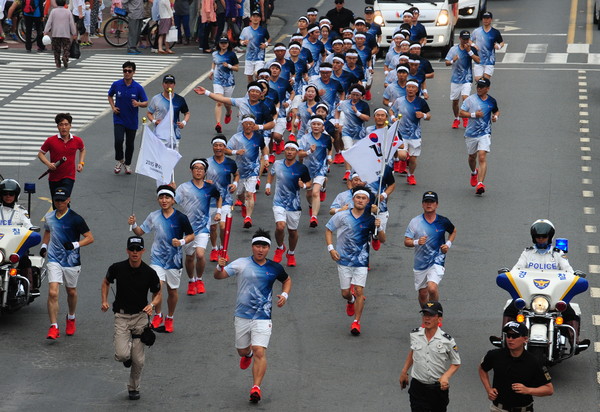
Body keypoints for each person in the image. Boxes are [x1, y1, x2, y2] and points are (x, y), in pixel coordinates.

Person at [213, 229, 292, 404]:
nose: (260, 249)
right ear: (252, 246)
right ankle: (246, 355)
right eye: (257, 245)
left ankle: (256, 387)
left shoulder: (275, 267)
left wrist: (284, 295)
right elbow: (218, 276)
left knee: (259, 350)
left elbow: (286, 280)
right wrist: (219, 266)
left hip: (263, 317)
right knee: (243, 350)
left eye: (264, 246)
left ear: (269, 248)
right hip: (242, 316)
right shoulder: (241, 264)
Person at [504, 219, 590, 349]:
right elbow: (516, 270)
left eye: (544, 236)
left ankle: (575, 341)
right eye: (538, 237)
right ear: (533, 237)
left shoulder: (558, 254)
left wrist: (575, 277)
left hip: (553, 297)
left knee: (571, 314)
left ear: (550, 237)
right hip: (530, 296)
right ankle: (504, 338)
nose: (541, 239)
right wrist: (509, 274)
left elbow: (568, 271)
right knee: (510, 309)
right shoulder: (527, 253)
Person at [101, 236, 161, 401]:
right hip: (121, 316)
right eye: (132, 249)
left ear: (143, 251)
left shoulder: (150, 273)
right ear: (127, 250)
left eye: (138, 249)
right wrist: (104, 301)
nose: (135, 252)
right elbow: (106, 282)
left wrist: (153, 304)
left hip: (141, 317)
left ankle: (134, 388)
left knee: (139, 361)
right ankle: (126, 356)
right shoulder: (117, 268)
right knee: (122, 355)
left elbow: (158, 293)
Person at [128, 185, 194, 333]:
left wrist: (181, 242)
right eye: (161, 197)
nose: (164, 200)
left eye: (167, 197)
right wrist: (134, 224)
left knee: (172, 291)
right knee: (157, 286)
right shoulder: (153, 216)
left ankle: (169, 317)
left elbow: (191, 235)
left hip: (174, 261)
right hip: (157, 259)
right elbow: (139, 232)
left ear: (173, 200)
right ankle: (158, 315)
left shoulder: (181, 218)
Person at [325, 186, 385, 336]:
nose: (360, 200)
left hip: (361, 261)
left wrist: (380, 227)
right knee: (345, 293)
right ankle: (350, 300)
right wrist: (331, 249)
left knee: (359, 291)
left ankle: (356, 322)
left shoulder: (371, 219)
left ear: (368, 202)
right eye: (358, 197)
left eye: (363, 198)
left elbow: (382, 239)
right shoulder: (342, 215)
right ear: (353, 200)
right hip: (343, 260)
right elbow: (328, 229)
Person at [41, 187, 94, 339]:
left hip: (71, 261)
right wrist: (44, 246)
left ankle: (71, 317)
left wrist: (75, 244)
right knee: (52, 291)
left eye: (62, 200)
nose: (59, 203)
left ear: (68, 200)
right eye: (56, 200)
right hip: (54, 259)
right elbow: (48, 231)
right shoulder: (50, 216)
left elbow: (90, 238)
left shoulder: (76, 218)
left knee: (71, 292)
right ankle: (53, 326)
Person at [399, 301, 461, 412]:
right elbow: (413, 351)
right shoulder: (415, 335)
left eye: (431, 315)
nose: (427, 318)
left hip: (437, 390)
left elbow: (456, 363)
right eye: (425, 315)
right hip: (418, 388)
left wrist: (446, 376)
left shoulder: (447, 341)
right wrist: (404, 371)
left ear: (439, 319)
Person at [479, 321, 553, 412]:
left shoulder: (533, 362)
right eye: (508, 336)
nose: (510, 339)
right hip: (498, 409)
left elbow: (549, 389)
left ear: (525, 339)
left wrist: (528, 390)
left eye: (514, 336)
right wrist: (488, 389)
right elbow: (482, 369)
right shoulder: (495, 355)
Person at [175, 159, 221, 296]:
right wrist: (171, 190)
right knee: (190, 257)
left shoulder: (210, 187)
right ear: (191, 170)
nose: (198, 170)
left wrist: (218, 212)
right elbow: (172, 202)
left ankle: (199, 279)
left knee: (200, 255)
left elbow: (219, 197)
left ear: (205, 172)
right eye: (196, 168)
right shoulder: (183, 188)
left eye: (201, 168)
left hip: (203, 227)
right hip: (187, 229)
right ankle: (191, 281)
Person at [404, 191, 457, 307]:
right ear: (422, 204)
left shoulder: (443, 221)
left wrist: (448, 244)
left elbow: (453, 231)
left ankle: (435, 314)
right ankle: (426, 316)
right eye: (426, 202)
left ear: (436, 204)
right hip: (420, 263)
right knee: (423, 294)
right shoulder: (415, 222)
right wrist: (417, 242)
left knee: (432, 288)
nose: (429, 204)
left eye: (432, 202)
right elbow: (406, 241)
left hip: (437, 259)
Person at [265, 141, 311, 267]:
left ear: (296, 153)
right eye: (287, 149)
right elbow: (271, 174)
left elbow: (309, 183)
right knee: (280, 226)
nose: (289, 151)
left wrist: (304, 185)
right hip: (279, 202)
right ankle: (280, 248)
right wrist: (268, 185)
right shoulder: (277, 164)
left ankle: (291, 253)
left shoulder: (301, 168)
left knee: (292, 232)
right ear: (284, 151)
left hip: (294, 204)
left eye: (292, 150)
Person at [225, 114, 269, 228]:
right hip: (239, 172)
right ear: (242, 124)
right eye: (246, 124)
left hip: (253, 170)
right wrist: (236, 152)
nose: (248, 126)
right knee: (240, 194)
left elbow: (264, 147)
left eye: (251, 124)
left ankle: (248, 217)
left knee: (249, 194)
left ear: (254, 125)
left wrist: (266, 159)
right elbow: (226, 150)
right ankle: (244, 204)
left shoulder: (258, 137)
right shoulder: (236, 137)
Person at [458, 77, 499, 195]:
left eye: (482, 87)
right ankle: (473, 173)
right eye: (478, 86)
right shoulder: (470, 100)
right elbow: (461, 113)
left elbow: (496, 111)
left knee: (481, 156)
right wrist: (474, 114)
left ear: (488, 88)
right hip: (471, 133)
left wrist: (496, 117)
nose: (479, 88)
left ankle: (480, 183)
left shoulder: (491, 101)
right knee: (472, 157)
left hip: (485, 133)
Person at [108, 61, 149, 175]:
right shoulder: (116, 84)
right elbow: (110, 95)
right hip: (119, 118)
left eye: (129, 71)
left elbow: (145, 102)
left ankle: (128, 164)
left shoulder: (138, 87)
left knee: (130, 144)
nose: (127, 73)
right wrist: (113, 107)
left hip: (132, 120)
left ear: (133, 72)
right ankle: (120, 160)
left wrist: (138, 104)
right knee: (118, 140)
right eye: (125, 71)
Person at [390, 79, 430, 185]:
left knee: (412, 159)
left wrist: (423, 115)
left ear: (417, 89)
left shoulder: (421, 102)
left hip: (415, 135)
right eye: (408, 87)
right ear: (406, 88)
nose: (410, 89)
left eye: (413, 87)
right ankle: (403, 159)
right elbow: (391, 110)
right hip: (401, 133)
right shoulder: (399, 100)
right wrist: (393, 117)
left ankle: (410, 175)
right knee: (402, 155)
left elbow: (429, 116)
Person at [207, 135, 239, 262]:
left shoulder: (230, 163)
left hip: (225, 199)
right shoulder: (207, 163)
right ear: (213, 147)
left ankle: (222, 248)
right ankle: (214, 248)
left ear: (225, 147)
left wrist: (235, 184)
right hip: (210, 200)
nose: (218, 148)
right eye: (216, 145)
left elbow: (236, 174)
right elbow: (198, 179)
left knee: (222, 226)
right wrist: (205, 182)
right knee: (213, 227)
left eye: (221, 146)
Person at [38, 113, 86, 199]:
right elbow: (40, 154)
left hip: (69, 176)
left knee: (64, 200)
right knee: (56, 203)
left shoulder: (77, 140)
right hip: (54, 177)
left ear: (70, 126)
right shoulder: (51, 140)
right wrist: (49, 164)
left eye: (66, 124)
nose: (64, 127)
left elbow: (82, 150)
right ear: (58, 127)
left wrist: (81, 163)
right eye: (61, 125)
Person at [298, 115, 332, 228]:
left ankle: (314, 217)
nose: (316, 126)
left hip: (320, 169)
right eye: (314, 124)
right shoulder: (305, 138)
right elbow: (299, 154)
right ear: (310, 126)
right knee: (308, 193)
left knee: (315, 192)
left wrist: (329, 158)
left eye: (318, 124)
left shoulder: (326, 138)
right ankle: (311, 205)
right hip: (307, 169)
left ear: (322, 127)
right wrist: (309, 152)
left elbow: (330, 149)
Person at [335, 83, 370, 182]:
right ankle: (348, 171)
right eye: (353, 94)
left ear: (361, 96)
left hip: (359, 133)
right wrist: (337, 122)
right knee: (348, 150)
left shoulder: (364, 105)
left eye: (357, 95)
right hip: (347, 132)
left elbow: (367, 118)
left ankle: (356, 171)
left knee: (356, 153)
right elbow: (337, 111)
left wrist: (357, 112)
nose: (354, 97)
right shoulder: (344, 103)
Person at [445, 30, 480, 129]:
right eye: (463, 39)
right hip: (455, 80)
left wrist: (469, 51)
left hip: (467, 78)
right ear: (460, 38)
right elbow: (446, 62)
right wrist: (453, 60)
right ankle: (456, 119)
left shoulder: (472, 48)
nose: (465, 41)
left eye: (467, 39)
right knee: (455, 101)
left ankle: (465, 117)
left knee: (465, 98)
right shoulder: (453, 49)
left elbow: (478, 60)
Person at [147, 74, 191, 151]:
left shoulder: (179, 100)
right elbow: (149, 113)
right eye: (166, 83)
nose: (168, 85)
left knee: (172, 159)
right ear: (163, 84)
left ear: (174, 85)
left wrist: (184, 122)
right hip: (160, 134)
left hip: (174, 134)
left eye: (171, 83)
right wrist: (154, 121)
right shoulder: (156, 99)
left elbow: (187, 113)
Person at [210, 36, 239, 133]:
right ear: (218, 44)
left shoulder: (231, 55)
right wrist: (211, 71)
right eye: (221, 43)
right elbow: (214, 62)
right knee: (219, 102)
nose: (223, 44)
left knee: (226, 103)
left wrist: (229, 66)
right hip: (217, 81)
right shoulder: (214, 53)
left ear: (228, 44)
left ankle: (228, 112)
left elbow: (237, 68)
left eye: (225, 43)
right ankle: (218, 123)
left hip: (229, 82)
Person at [43, 0, 77, 68]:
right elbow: (71, 23)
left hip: (55, 33)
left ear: (57, 3)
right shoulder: (68, 11)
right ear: (64, 3)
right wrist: (74, 33)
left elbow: (49, 22)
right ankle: (65, 56)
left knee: (56, 49)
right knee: (66, 47)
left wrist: (45, 31)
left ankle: (57, 62)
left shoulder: (53, 11)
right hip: (65, 33)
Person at [471, 11, 504, 81]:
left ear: (491, 20)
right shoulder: (477, 31)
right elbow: (469, 40)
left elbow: (502, 42)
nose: (485, 20)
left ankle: (485, 91)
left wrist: (499, 46)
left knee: (485, 80)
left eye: (487, 18)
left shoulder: (495, 32)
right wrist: (473, 45)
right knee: (478, 80)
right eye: (484, 18)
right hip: (478, 60)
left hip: (489, 60)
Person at [239, 10, 270, 83]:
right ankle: (251, 89)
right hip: (249, 57)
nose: (255, 18)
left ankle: (259, 89)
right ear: (251, 18)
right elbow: (240, 40)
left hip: (259, 56)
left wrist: (266, 44)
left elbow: (269, 38)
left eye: (257, 17)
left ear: (260, 19)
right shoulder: (245, 30)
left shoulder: (263, 30)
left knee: (258, 74)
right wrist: (243, 42)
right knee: (249, 76)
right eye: (254, 17)